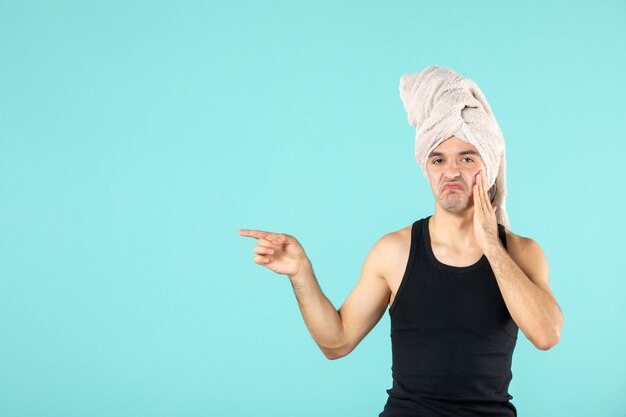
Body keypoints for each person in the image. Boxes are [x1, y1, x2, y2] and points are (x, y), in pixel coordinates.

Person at [238, 66, 563, 416]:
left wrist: (491, 243)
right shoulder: (394, 251)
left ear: (489, 166)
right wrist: (301, 273)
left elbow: (546, 335)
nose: (451, 172)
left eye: (467, 158)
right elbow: (337, 342)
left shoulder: (522, 252)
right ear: (427, 168)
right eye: (438, 160)